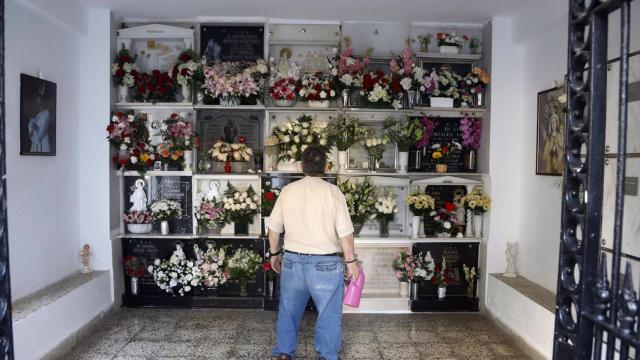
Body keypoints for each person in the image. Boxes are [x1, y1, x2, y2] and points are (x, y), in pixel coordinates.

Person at [269, 146, 360, 360]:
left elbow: (273, 229)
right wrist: (351, 261)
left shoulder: (288, 191)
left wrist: (274, 254)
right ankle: (326, 355)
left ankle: (284, 352)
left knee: (288, 311)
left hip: (292, 261)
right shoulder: (333, 192)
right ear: (326, 167)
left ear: (301, 167)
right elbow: (345, 235)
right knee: (328, 314)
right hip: (326, 265)